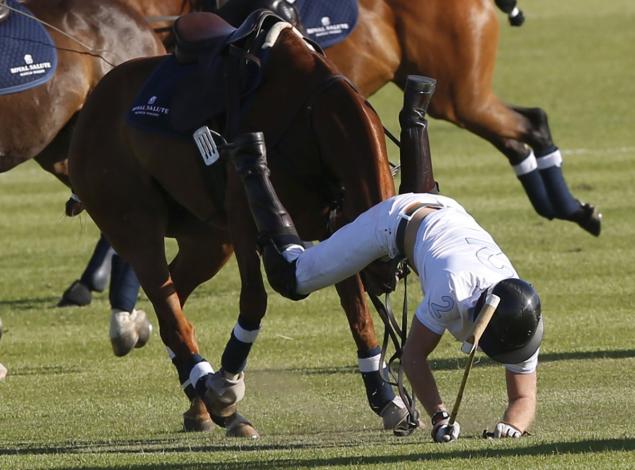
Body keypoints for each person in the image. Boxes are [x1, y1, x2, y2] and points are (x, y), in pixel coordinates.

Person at [227, 132, 543, 442]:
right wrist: (439, 415)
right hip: (396, 221)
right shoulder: (451, 292)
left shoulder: (522, 310)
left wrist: (510, 428)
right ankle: (252, 165)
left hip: (445, 214)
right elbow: (413, 357)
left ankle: (416, 110)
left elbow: (524, 397)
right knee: (294, 277)